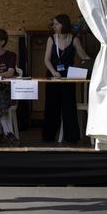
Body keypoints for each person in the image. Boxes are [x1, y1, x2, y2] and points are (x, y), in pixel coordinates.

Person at [42, 14, 90, 143]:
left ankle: (71, 137)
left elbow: (83, 56)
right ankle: (49, 136)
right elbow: (46, 60)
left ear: (64, 24)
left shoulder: (74, 39)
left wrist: (91, 64)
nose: (54, 26)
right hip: (53, 76)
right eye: (54, 24)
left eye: (57, 24)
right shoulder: (51, 39)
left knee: (69, 106)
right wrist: (53, 72)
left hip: (69, 77)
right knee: (52, 106)